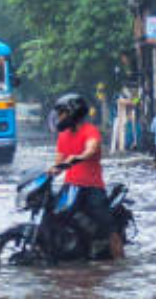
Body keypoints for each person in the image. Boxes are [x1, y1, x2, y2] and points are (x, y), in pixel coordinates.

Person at [50, 92, 123, 260]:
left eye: (62, 113)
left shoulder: (90, 131)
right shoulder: (62, 136)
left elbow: (91, 149)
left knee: (108, 227)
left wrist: (78, 157)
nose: (59, 117)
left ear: (73, 113)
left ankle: (120, 260)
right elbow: (58, 163)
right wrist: (50, 171)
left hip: (92, 188)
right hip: (70, 187)